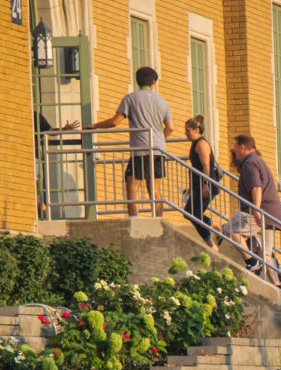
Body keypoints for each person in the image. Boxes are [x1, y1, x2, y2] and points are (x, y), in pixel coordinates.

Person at [86, 66, 173, 217]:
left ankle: (134, 217)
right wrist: (160, 140)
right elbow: (171, 127)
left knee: (133, 183)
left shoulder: (131, 98)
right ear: (153, 82)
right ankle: (158, 218)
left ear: (138, 81)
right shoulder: (163, 102)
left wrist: (94, 126)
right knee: (155, 188)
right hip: (158, 150)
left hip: (140, 149)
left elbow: (114, 122)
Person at [232, 134, 281, 288]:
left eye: (236, 148)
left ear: (242, 147)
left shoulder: (250, 163)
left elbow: (256, 187)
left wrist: (256, 210)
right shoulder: (259, 161)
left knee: (231, 230)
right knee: (266, 252)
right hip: (272, 212)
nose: (235, 152)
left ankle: (252, 262)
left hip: (260, 211)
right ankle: (277, 283)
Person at [185, 115, 216, 248]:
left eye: (188, 130)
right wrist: (190, 188)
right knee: (191, 213)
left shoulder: (202, 144)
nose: (186, 133)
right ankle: (215, 228)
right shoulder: (194, 144)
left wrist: (205, 185)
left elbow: (206, 166)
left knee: (192, 213)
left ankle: (212, 241)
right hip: (198, 184)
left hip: (206, 185)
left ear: (196, 130)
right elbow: (195, 168)